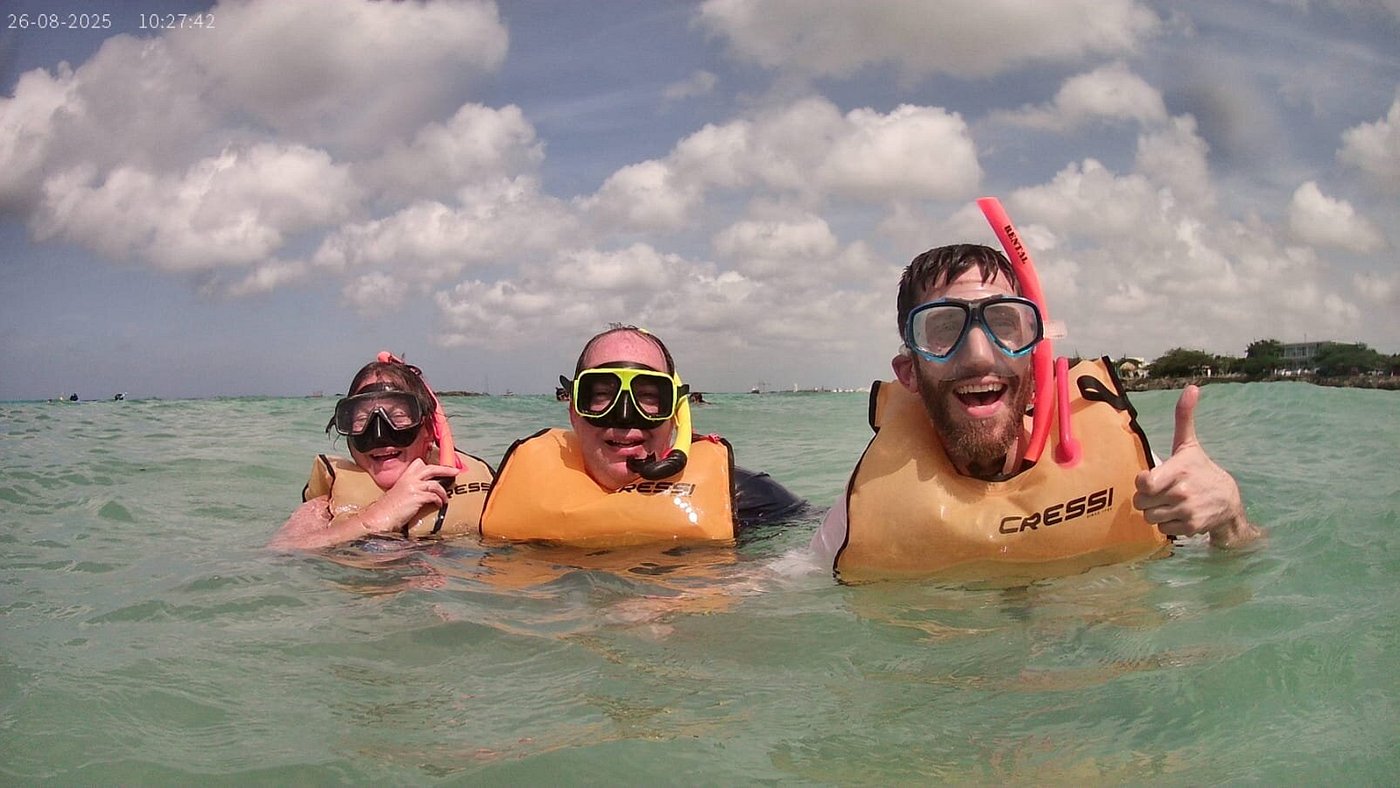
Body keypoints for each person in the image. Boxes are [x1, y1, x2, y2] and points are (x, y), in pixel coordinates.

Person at [812, 241, 1262, 581]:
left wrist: (1230, 514)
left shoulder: (1139, 478)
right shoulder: (859, 518)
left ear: (1036, 359)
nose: (980, 355)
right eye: (943, 329)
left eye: (1004, 324)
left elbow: (1243, 565)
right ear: (909, 372)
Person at [480, 326, 806, 545]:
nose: (624, 418)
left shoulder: (745, 500)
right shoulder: (513, 493)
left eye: (650, 396)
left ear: (676, 415)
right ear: (574, 412)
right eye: (601, 394)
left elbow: (813, 553)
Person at [269, 352, 495, 551]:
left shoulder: (481, 487)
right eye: (360, 420)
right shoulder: (326, 502)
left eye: (398, 417)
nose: (379, 435)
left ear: (427, 429)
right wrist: (379, 516)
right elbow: (284, 550)